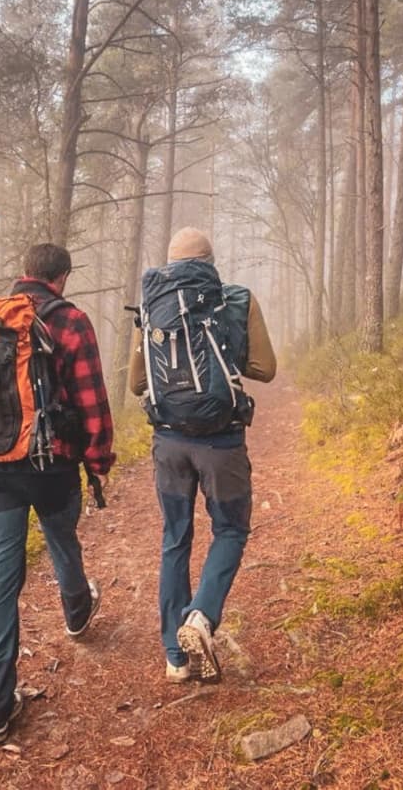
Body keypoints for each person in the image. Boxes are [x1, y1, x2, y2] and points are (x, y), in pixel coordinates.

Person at [0, 243, 115, 744]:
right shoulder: (69, 321)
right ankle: (76, 608)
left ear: (24, 273)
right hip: (50, 462)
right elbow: (92, 399)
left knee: (0, 578)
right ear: (63, 277)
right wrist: (98, 462)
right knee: (60, 537)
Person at [128, 227, 276, 683]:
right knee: (230, 529)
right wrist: (229, 361)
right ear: (211, 262)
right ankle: (202, 615)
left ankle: (176, 656)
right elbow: (266, 370)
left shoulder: (154, 306)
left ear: (170, 264)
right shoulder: (236, 299)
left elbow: (137, 384)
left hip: (168, 441)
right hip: (221, 442)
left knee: (176, 538)